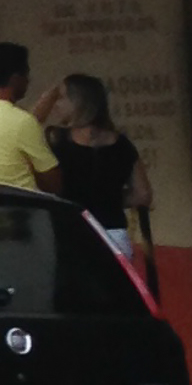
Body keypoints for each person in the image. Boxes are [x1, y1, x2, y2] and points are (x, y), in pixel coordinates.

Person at [46, 73, 151, 256]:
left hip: (71, 233)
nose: (56, 105)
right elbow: (143, 194)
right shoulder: (122, 144)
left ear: (78, 102)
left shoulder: (58, 140)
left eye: (61, 98)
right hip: (114, 235)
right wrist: (110, 199)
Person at [0, 42, 63, 191]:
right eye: (26, 74)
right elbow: (53, 183)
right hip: (19, 204)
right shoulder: (22, 122)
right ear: (15, 79)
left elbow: (11, 130)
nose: (28, 80)